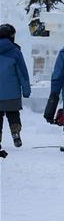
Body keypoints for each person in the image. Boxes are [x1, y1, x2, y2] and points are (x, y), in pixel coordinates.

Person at [0, 24, 30, 153]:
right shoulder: (16, 52)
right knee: (13, 114)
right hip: (11, 92)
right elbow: (22, 73)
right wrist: (26, 90)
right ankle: (15, 134)